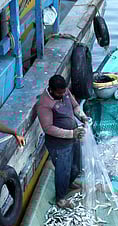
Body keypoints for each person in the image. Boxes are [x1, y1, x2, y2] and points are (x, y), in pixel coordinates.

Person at [36, 74, 90, 208]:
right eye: (59, 93)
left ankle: (69, 184)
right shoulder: (44, 105)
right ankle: (60, 198)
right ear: (51, 90)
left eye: (64, 91)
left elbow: (75, 106)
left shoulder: (65, 92)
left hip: (73, 137)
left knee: (76, 167)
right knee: (63, 171)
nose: (63, 94)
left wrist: (82, 117)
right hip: (59, 145)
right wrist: (71, 133)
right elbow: (48, 128)